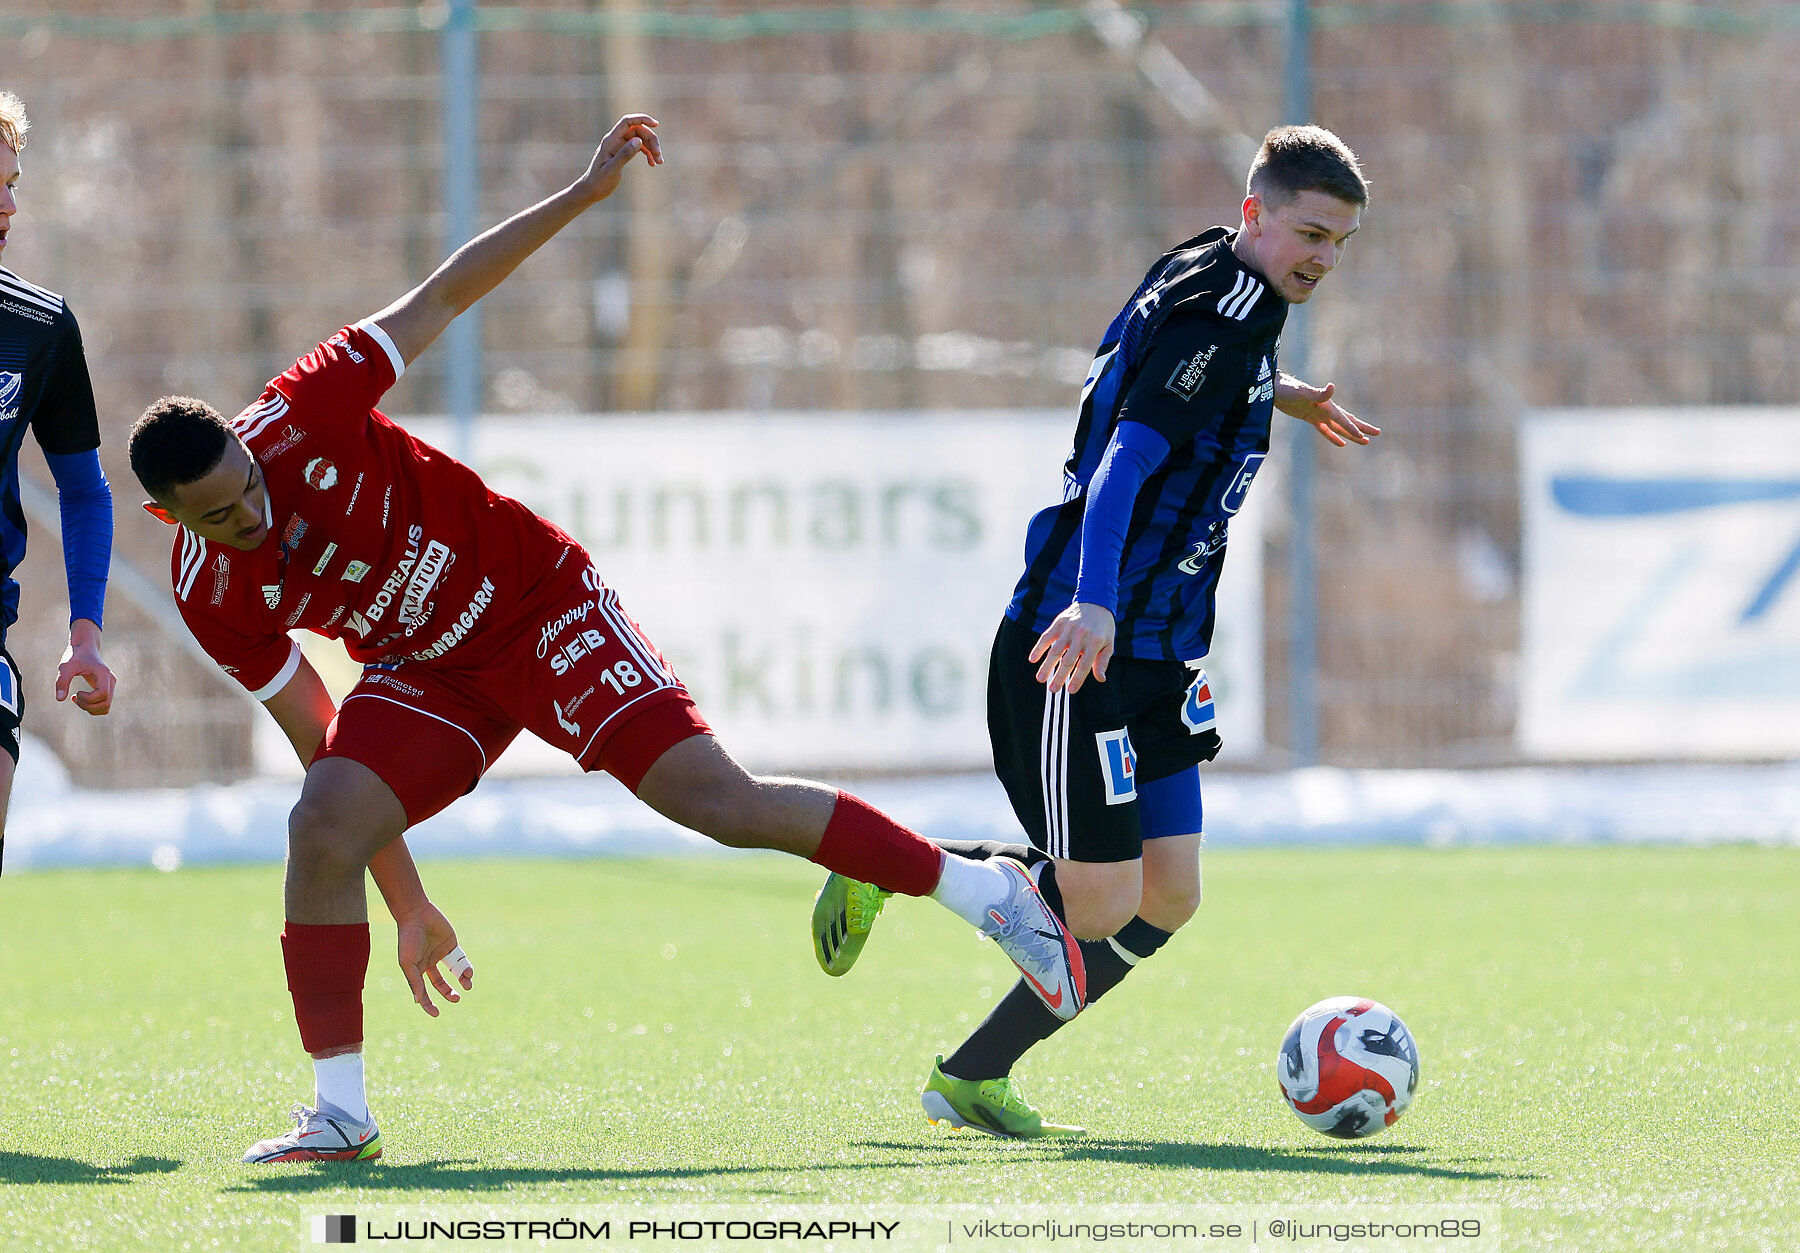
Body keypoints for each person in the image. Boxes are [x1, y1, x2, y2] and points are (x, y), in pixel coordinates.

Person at [126, 114, 1084, 1165]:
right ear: (173, 519)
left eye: (248, 486)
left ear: (246, 442)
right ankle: (341, 1112)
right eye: (219, 514)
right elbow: (315, 728)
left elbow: (442, 293)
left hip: (541, 607)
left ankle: (988, 891)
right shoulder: (209, 589)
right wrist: (407, 901)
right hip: (430, 673)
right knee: (320, 824)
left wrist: (584, 194)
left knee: (722, 804)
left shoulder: (306, 408)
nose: (252, 514)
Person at [809, 125, 1381, 1138]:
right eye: (1310, 233)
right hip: (1086, 640)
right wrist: (1097, 599)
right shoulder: (1227, 319)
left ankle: (973, 1075)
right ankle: (894, 861)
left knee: (1170, 892)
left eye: (1339, 242)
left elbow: (1154, 373)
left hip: (1160, 643)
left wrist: (1278, 395)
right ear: (1258, 212)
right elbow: (1123, 460)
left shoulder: (1212, 272)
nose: (1324, 259)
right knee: (1101, 901)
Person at [0, 91, 117, 872]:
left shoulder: (38, 328)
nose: (10, 203)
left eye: (13, 181)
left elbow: (84, 488)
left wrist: (86, 632)